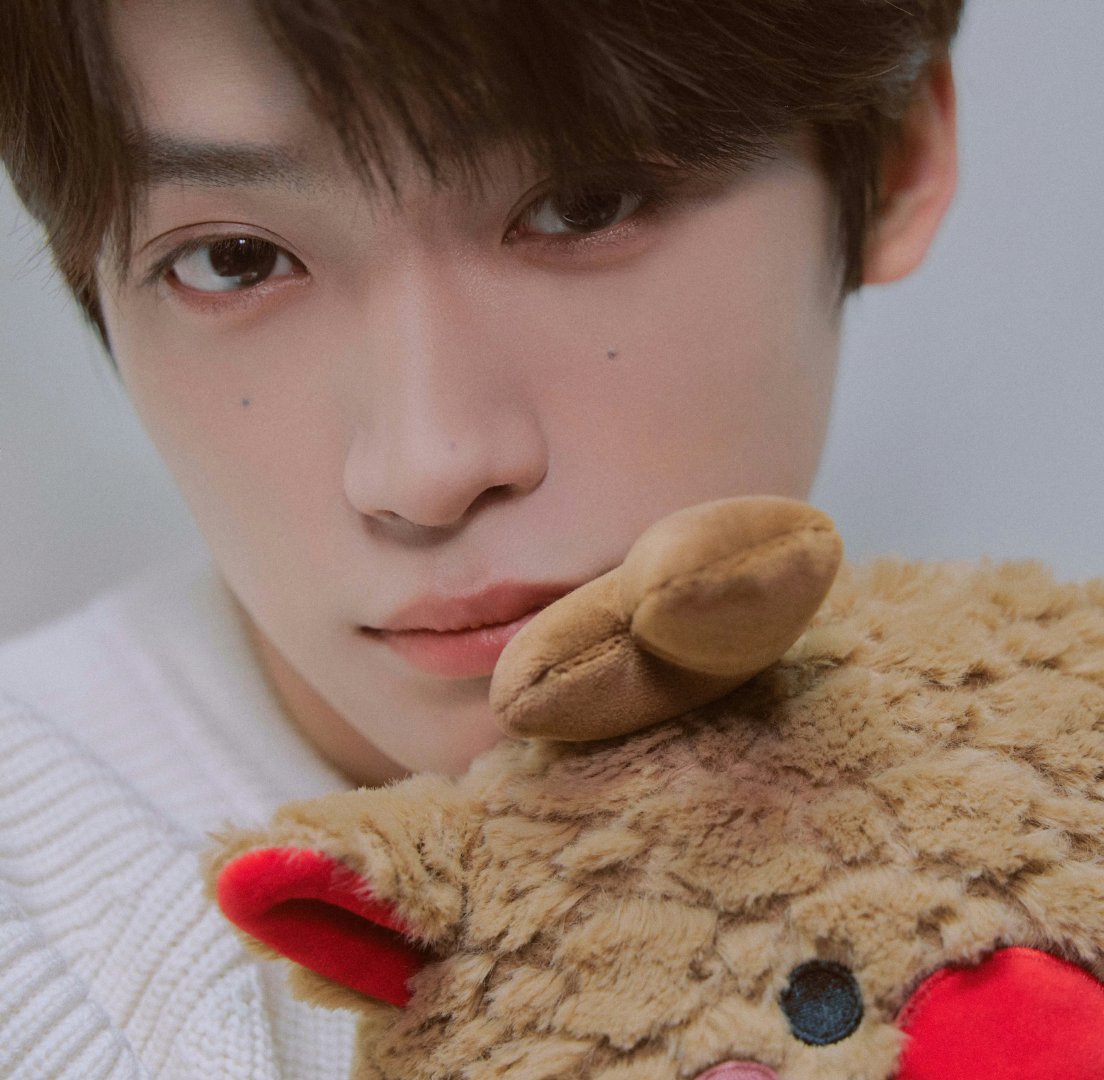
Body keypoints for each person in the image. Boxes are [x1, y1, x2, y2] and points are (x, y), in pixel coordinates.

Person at [0, 0, 963, 1075]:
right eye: (233, 259)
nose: (428, 469)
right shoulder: (40, 951)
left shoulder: (1067, 820)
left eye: (582, 205)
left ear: (897, 158)